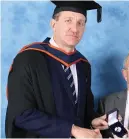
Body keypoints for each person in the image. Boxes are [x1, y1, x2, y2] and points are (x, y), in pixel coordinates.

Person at [5, 1, 108, 138]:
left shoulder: (83, 65)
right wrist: (73, 130)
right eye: (68, 20)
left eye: (80, 23)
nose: (75, 29)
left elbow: (83, 111)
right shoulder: (28, 58)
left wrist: (92, 120)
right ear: (53, 24)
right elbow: (21, 114)